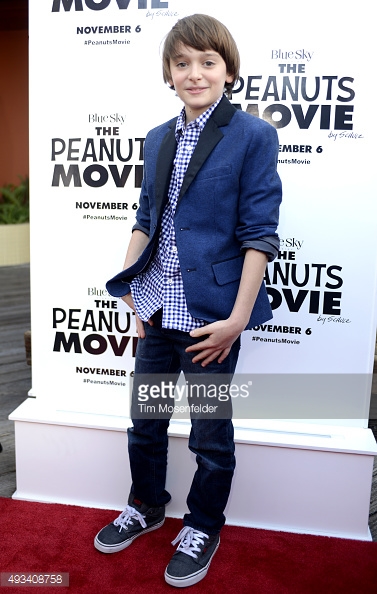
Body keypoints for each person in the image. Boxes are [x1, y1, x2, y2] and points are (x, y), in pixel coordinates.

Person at [94, 13, 281, 588]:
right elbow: (145, 219)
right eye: (182, 63)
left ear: (228, 71)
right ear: (168, 73)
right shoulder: (157, 137)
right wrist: (130, 289)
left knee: (208, 435)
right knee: (145, 424)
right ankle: (147, 506)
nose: (194, 73)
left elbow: (259, 235)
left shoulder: (252, 134)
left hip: (212, 319)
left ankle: (202, 526)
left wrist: (237, 320)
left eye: (207, 62)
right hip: (155, 307)